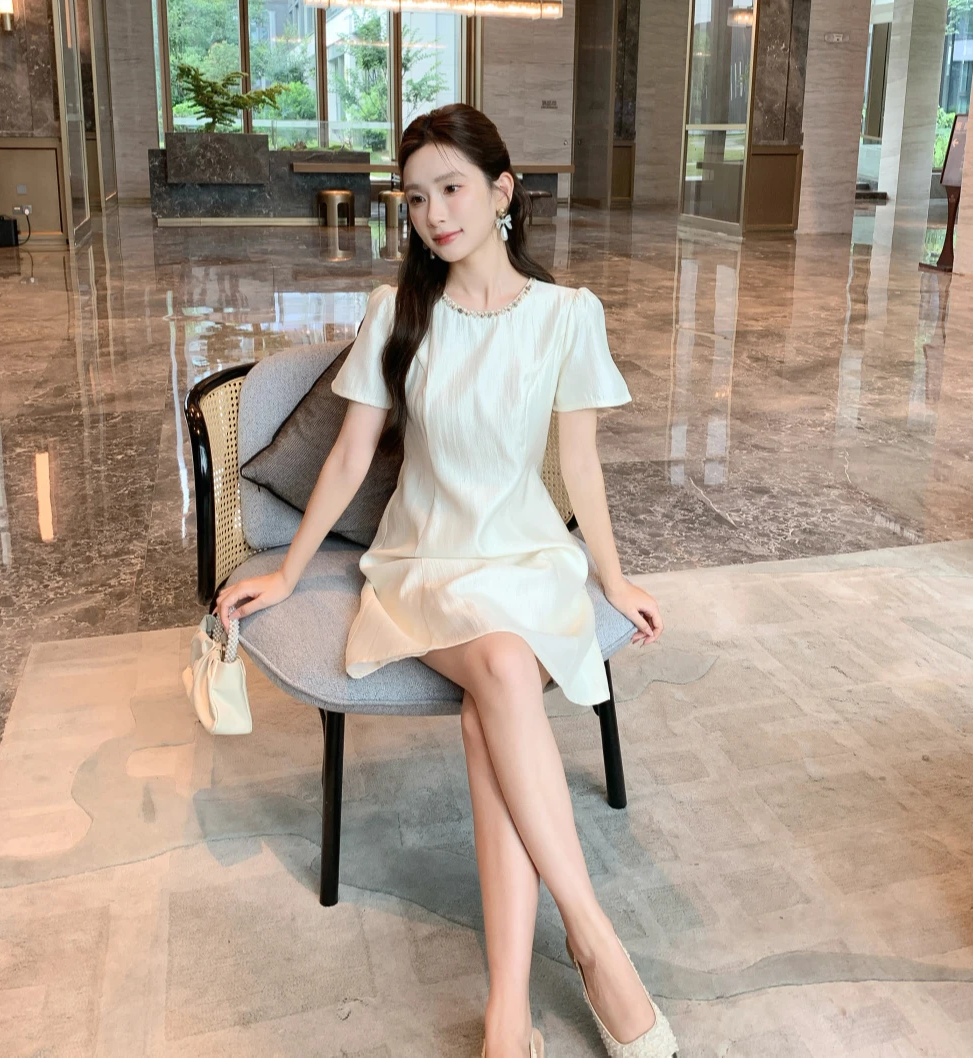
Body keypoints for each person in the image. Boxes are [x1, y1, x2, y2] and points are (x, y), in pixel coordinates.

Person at [214, 104, 677, 1058]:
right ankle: (594, 941)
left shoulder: (567, 316)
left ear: (503, 192)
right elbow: (349, 457)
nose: (434, 215)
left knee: (487, 707)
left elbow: (580, 468)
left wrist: (615, 578)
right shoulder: (397, 314)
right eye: (417, 197)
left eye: (453, 189)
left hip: (528, 558)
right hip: (424, 562)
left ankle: (508, 1010)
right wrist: (290, 572)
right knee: (502, 672)